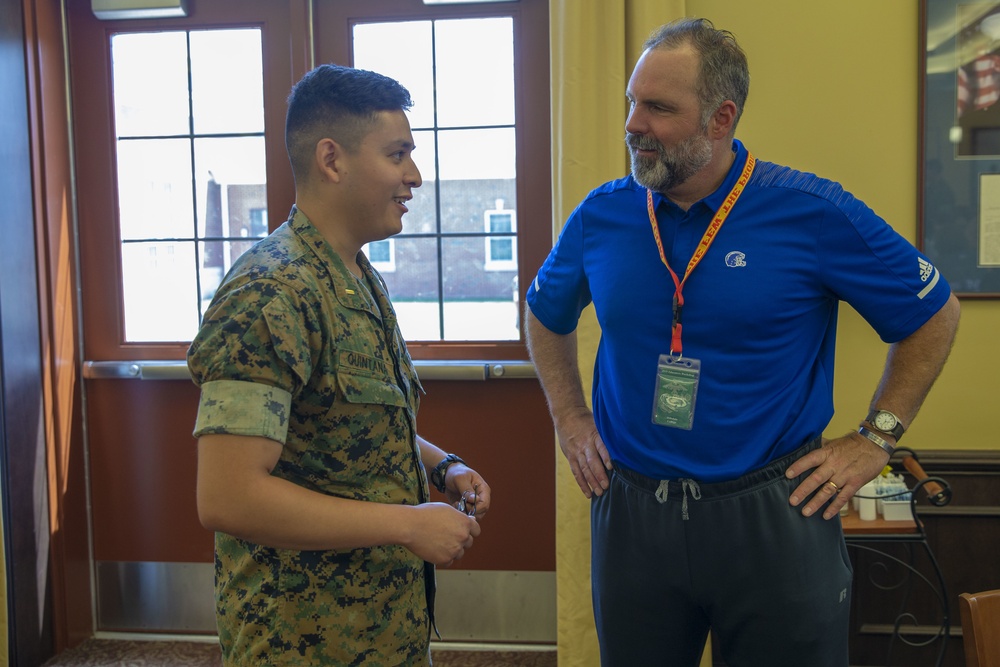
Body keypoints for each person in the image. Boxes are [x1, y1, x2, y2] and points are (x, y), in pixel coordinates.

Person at [525, 17, 960, 667]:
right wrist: (568, 415)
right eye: (631, 102)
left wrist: (876, 436)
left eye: (659, 107)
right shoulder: (601, 215)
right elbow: (543, 312)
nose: (633, 124)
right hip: (635, 512)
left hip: (772, 511)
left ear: (721, 119)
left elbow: (935, 312)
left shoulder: (812, 212)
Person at [187, 64, 490, 666]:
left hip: (382, 627)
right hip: (304, 640)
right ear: (333, 159)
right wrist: (407, 525)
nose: (415, 176)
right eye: (397, 153)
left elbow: (346, 420)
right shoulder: (270, 292)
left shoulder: (355, 274)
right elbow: (228, 496)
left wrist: (441, 465)